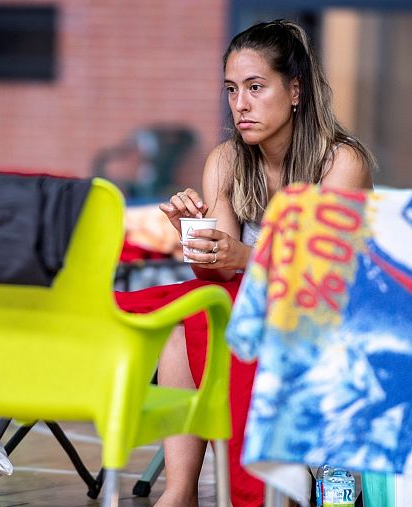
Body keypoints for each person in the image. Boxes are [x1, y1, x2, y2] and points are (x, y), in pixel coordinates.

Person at [116, 20, 376, 506]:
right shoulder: (227, 161)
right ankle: (181, 489)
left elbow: (327, 273)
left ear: (295, 90)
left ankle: (289, 484)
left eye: (256, 87)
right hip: (255, 300)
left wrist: (241, 256)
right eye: (232, 90)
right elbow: (217, 274)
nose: (241, 104)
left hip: (330, 310)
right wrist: (197, 240)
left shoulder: (341, 163)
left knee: (229, 316)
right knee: (185, 315)